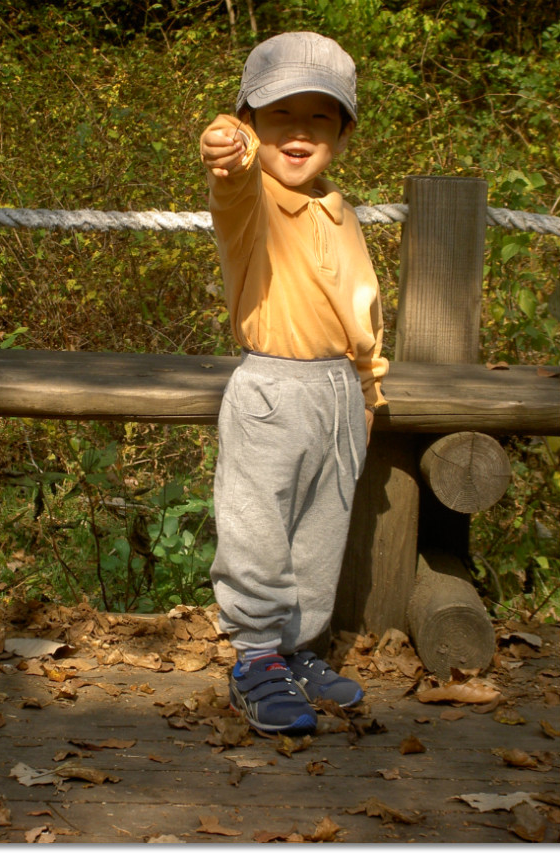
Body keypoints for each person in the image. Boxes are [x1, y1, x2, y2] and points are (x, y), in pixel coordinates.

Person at [200, 31, 388, 735]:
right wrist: (225, 147)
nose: (300, 132)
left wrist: (369, 389)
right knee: (257, 529)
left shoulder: (342, 214)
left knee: (318, 532)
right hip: (272, 391)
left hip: (338, 393)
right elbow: (230, 173)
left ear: (342, 131)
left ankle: (297, 649)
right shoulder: (251, 205)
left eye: (320, 116)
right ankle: (253, 656)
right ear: (251, 123)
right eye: (280, 115)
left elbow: (363, 313)